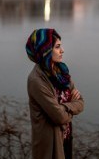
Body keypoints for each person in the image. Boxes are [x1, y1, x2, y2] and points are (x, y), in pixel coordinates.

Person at [25, 28, 84, 159]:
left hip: (66, 141)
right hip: (50, 148)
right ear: (45, 51)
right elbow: (59, 116)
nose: (62, 50)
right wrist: (71, 105)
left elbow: (81, 102)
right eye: (57, 47)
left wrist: (65, 108)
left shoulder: (61, 73)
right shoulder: (36, 80)